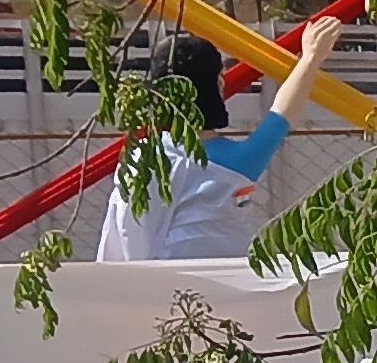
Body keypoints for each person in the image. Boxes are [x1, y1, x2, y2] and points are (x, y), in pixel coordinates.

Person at [97, 15, 344, 262]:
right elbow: (281, 114)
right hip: (233, 285)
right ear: (217, 86)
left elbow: (124, 239)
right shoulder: (237, 163)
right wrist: (311, 57)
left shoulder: (142, 160)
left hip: (165, 290)